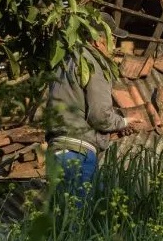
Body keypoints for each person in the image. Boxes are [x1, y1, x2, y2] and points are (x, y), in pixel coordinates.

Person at [45, 14, 133, 199]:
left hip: (58, 149)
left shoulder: (64, 61)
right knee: (79, 219)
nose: (114, 46)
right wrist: (123, 121)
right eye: (112, 39)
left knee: (63, 219)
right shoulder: (93, 63)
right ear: (97, 40)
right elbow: (99, 116)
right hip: (78, 153)